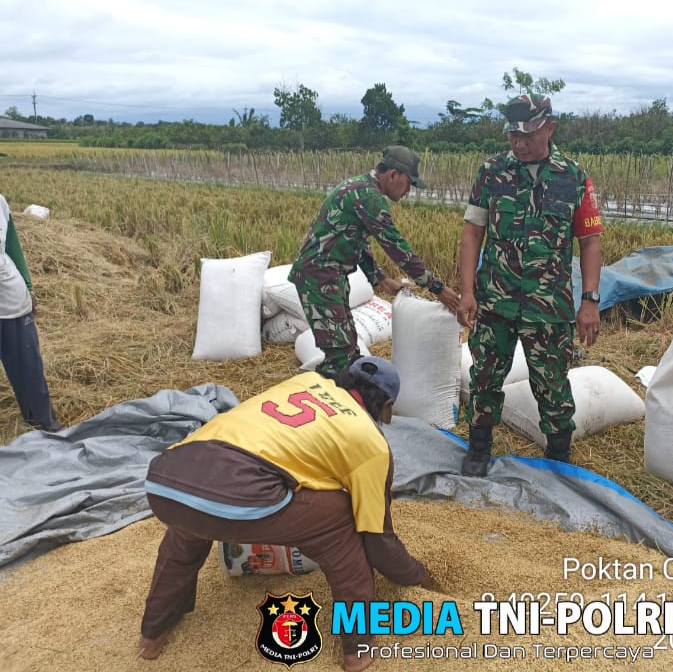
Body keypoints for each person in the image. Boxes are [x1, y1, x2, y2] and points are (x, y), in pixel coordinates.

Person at [137, 356, 435, 672]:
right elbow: (378, 540)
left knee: (190, 526)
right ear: (386, 404)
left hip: (167, 481)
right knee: (342, 522)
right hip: (240, 494)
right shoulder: (371, 443)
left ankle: (151, 636)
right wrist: (418, 576)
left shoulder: (303, 382)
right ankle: (358, 649)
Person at [456, 94, 603, 476]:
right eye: (513, 136)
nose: (519, 144)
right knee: (485, 376)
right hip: (495, 301)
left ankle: (558, 458)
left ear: (549, 128)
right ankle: (479, 446)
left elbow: (589, 242)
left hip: (548, 305)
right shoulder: (491, 173)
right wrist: (468, 291)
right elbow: (473, 233)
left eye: (528, 135)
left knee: (552, 385)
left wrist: (590, 300)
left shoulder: (573, 178)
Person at [289, 145, 460, 377]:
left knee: (347, 347)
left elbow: (358, 240)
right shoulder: (368, 197)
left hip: (329, 277)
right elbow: (396, 246)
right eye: (409, 183)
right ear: (393, 175)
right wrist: (436, 287)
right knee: (338, 356)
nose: (409, 190)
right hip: (319, 278)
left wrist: (379, 279)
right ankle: (326, 402)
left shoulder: (361, 187)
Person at [0, 193, 62, 432]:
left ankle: (44, 426)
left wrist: (27, 287)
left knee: (28, 370)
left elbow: (13, 245)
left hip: (8, 301)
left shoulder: (1, 202)